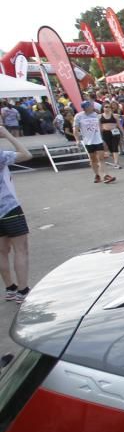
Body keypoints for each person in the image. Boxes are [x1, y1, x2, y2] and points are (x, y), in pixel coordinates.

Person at [0, 126, 33, 303]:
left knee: (2, 251)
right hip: (9, 207)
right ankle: (23, 289)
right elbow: (26, 154)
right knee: (21, 249)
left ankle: (10, 288)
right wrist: (7, 135)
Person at [74, 101, 115, 184]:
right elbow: (75, 129)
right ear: (85, 107)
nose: (92, 107)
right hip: (88, 141)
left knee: (101, 158)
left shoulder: (96, 115)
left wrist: (102, 138)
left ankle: (105, 175)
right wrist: (77, 140)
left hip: (98, 140)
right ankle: (97, 175)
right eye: (90, 106)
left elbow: (99, 127)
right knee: (93, 160)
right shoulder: (79, 116)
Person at [99, 104, 122, 170]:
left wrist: (123, 133)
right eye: (106, 107)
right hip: (105, 133)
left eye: (109, 107)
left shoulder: (114, 116)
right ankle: (115, 158)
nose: (107, 108)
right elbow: (99, 127)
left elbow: (119, 125)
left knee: (115, 147)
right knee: (110, 148)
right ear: (103, 108)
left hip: (115, 132)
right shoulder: (100, 116)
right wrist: (99, 135)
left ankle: (116, 163)